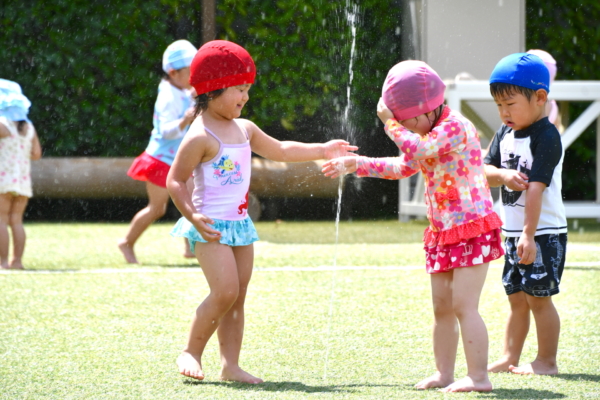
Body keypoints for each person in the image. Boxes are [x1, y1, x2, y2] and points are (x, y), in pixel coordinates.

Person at [167, 40, 357, 384]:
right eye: (239, 89)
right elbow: (175, 181)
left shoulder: (245, 129)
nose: (246, 96)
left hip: (240, 226)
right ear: (212, 89)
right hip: (210, 228)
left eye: (247, 89)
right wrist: (192, 216)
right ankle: (191, 351)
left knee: (237, 297)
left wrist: (322, 149)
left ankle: (230, 365)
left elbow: (281, 150)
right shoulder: (200, 135)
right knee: (224, 291)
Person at [322, 60, 504, 392]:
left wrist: (389, 123)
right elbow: (405, 165)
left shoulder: (455, 128)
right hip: (442, 232)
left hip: (472, 228)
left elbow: (417, 147)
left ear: (426, 111)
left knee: (464, 305)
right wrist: (358, 164)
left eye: (407, 123)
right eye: (401, 123)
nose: (405, 129)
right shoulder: (424, 133)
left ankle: (479, 377)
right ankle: (444, 373)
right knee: (442, 308)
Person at [484, 53, 567, 376]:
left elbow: (535, 189)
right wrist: (502, 176)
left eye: (510, 104)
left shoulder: (546, 136)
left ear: (539, 98)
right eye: (499, 106)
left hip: (543, 232)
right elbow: (484, 170)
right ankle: (510, 357)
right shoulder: (505, 134)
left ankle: (547, 361)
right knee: (517, 297)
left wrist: (530, 235)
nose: (504, 112)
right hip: (514, 232)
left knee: (539, 299)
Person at [118, 40, 198, 264]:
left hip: (178, 159)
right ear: (173, 73)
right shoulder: (167, 96)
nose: (193, 77)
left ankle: (189, 247)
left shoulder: (181, 89)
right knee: (157, 208)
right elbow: (165, 131)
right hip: (161, 159)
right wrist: (184, 121)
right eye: (190, 72)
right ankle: (126, 242)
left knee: (191, 202)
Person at [0, 79, 42, 270]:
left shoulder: (2, 124)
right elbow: (36, 155)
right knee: (16, 220)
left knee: (0, 219)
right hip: (23, 181)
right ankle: (17, 261)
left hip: (2, 180)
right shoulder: (29, 127)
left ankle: (2, 262)